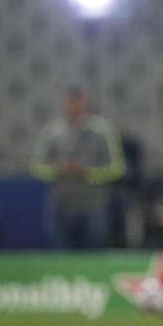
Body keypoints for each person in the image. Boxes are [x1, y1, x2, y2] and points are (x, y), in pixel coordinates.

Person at [29, 89, 126, 248]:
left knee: (93, 260)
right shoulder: (52, 131)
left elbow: (117, 169)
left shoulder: (102, 131)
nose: (73, 106)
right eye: (69, 102)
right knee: (61, 260)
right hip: (61, 206)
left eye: (77, 102)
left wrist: (87, 172)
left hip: (94, 207)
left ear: (85, 103)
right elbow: (36, 168)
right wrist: (59, 170)